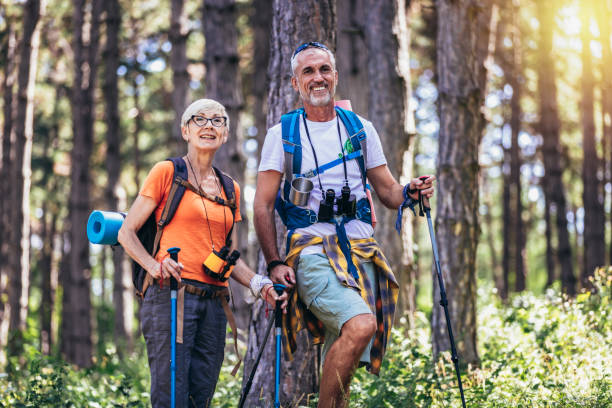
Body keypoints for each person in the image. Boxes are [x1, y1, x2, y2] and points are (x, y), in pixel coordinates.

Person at [254, 42, 435, 408]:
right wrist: (274, 262)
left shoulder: (360, 128)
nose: (317, 77)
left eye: (324, 70)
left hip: (360, 251)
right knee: (361, 325)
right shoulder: (283, 134)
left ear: (335, 76)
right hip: (313, 251)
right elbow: (262, 204)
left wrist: (410, 191)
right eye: (308, 72)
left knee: (350, 346)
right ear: (295, 83)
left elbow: (387, 192)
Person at [118, 98, 285, 408]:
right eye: (200, 119)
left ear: (224, 135)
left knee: (201, 398)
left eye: (218, 121)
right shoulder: (167, 172)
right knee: (172, 397)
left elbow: (229, 257)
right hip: (171, 298)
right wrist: (155, 267)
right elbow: (126, 233)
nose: (209, 125)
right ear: (185, 130)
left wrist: (260, 285)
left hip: (213, 303)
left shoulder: (229, 188)